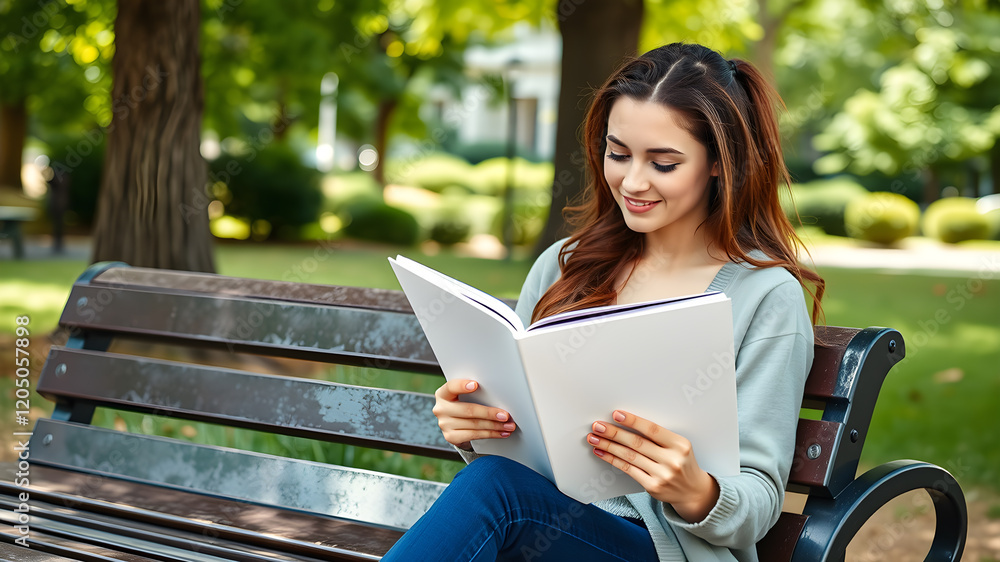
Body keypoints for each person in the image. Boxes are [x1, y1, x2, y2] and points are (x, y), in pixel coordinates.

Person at [382, 42, 824, 562]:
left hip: (664, 548)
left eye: (663, 163)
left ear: (718, 164)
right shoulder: (564, 264)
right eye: (618, 154)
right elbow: (522, 450)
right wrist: (475, 428)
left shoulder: (764, 295)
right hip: (543, 526)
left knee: (495, 490)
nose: (632, 182)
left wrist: (693, 488)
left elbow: (759, 501)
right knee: (494, 482)